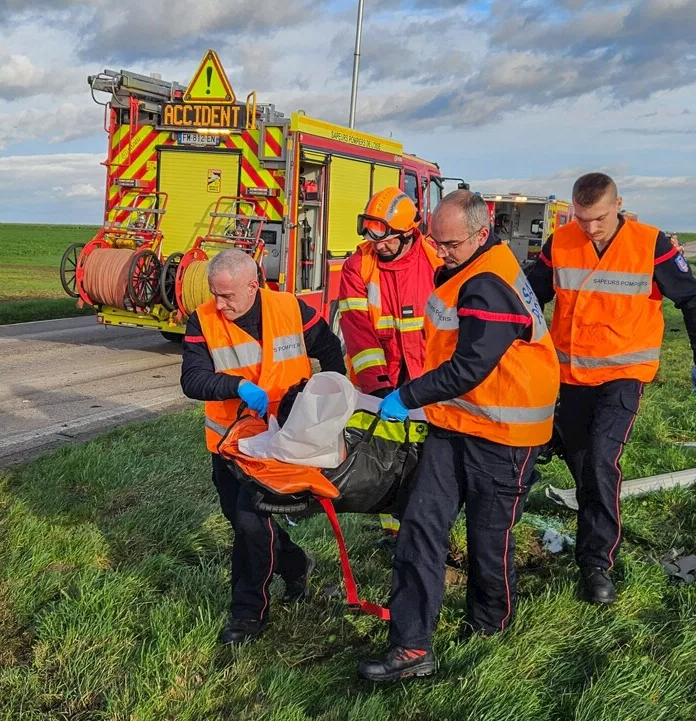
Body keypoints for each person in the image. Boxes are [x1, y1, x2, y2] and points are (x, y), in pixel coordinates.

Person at [357, 190, 559, 682]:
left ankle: (491, 628)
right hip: (454, 425)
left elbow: (470, 365)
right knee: (420, 528)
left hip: (505, 433)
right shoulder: (464, 269)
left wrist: (408, 396)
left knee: (490, 541)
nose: (439, 253)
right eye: (435, 241)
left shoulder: (489, 282)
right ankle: (411, 647)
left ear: (480, 235)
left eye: (449, 245)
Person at [525, 172, 696, 605]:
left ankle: (595, 563)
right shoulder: (561, 243)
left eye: (597, 218)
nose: (589, 227)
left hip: (624, 376)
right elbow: (531, 297)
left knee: (599, 459)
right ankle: (591, 516)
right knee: (581, 463)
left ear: (619, 206)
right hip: (570, 376)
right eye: (581, 218)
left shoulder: (651, 245)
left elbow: (693, 301)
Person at [179, 249, 347, 645]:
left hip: (283, 445)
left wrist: (331, 400)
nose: (219, 305)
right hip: (232, 447)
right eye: (214, 294)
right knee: (241, 520)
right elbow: (192, 380)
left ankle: (247, 616)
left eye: (227, 296)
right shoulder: (202, 320)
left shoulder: (292, 309)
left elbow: (329, 351)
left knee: (251, 525)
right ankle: (295, 564)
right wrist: (235, 385)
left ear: (254, 285)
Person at [337, 187, 442, 397]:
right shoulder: (357, 266)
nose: (378, 247)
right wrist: (377, 385)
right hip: (377, 384)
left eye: (386, 240)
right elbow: (357, 329)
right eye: (373, 240)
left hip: (427, 383)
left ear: (407, 233)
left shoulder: (436, 262)